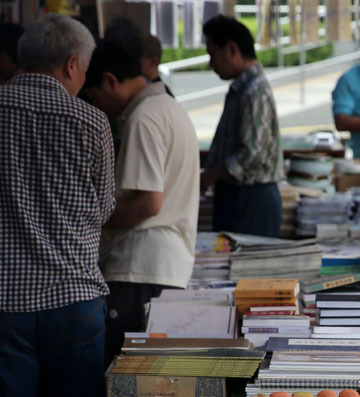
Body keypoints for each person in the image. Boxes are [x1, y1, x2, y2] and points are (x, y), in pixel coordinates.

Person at [0, 14, 114, 397]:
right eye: (84, 70)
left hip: (5, 303)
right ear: (71, 64)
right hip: (73, 301)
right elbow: (103, 211)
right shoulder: (91, 121)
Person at [81, 41, 199, 366]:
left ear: (110, 81)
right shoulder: (168, 107)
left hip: (140, 268)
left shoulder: (143, 117)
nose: (98, 107)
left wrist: (89, 219)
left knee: (125, 382)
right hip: (161, 265)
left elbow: (148, 203)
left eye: (93, 97)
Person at [200, 15, 283, 237]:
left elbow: (253, 153)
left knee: (247, 268)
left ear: (232, 49)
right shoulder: (243, 88)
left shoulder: (254, 90)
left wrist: (212, 174)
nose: (211, 63)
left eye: (213, 54)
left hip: (251, 200)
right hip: (238, 196)